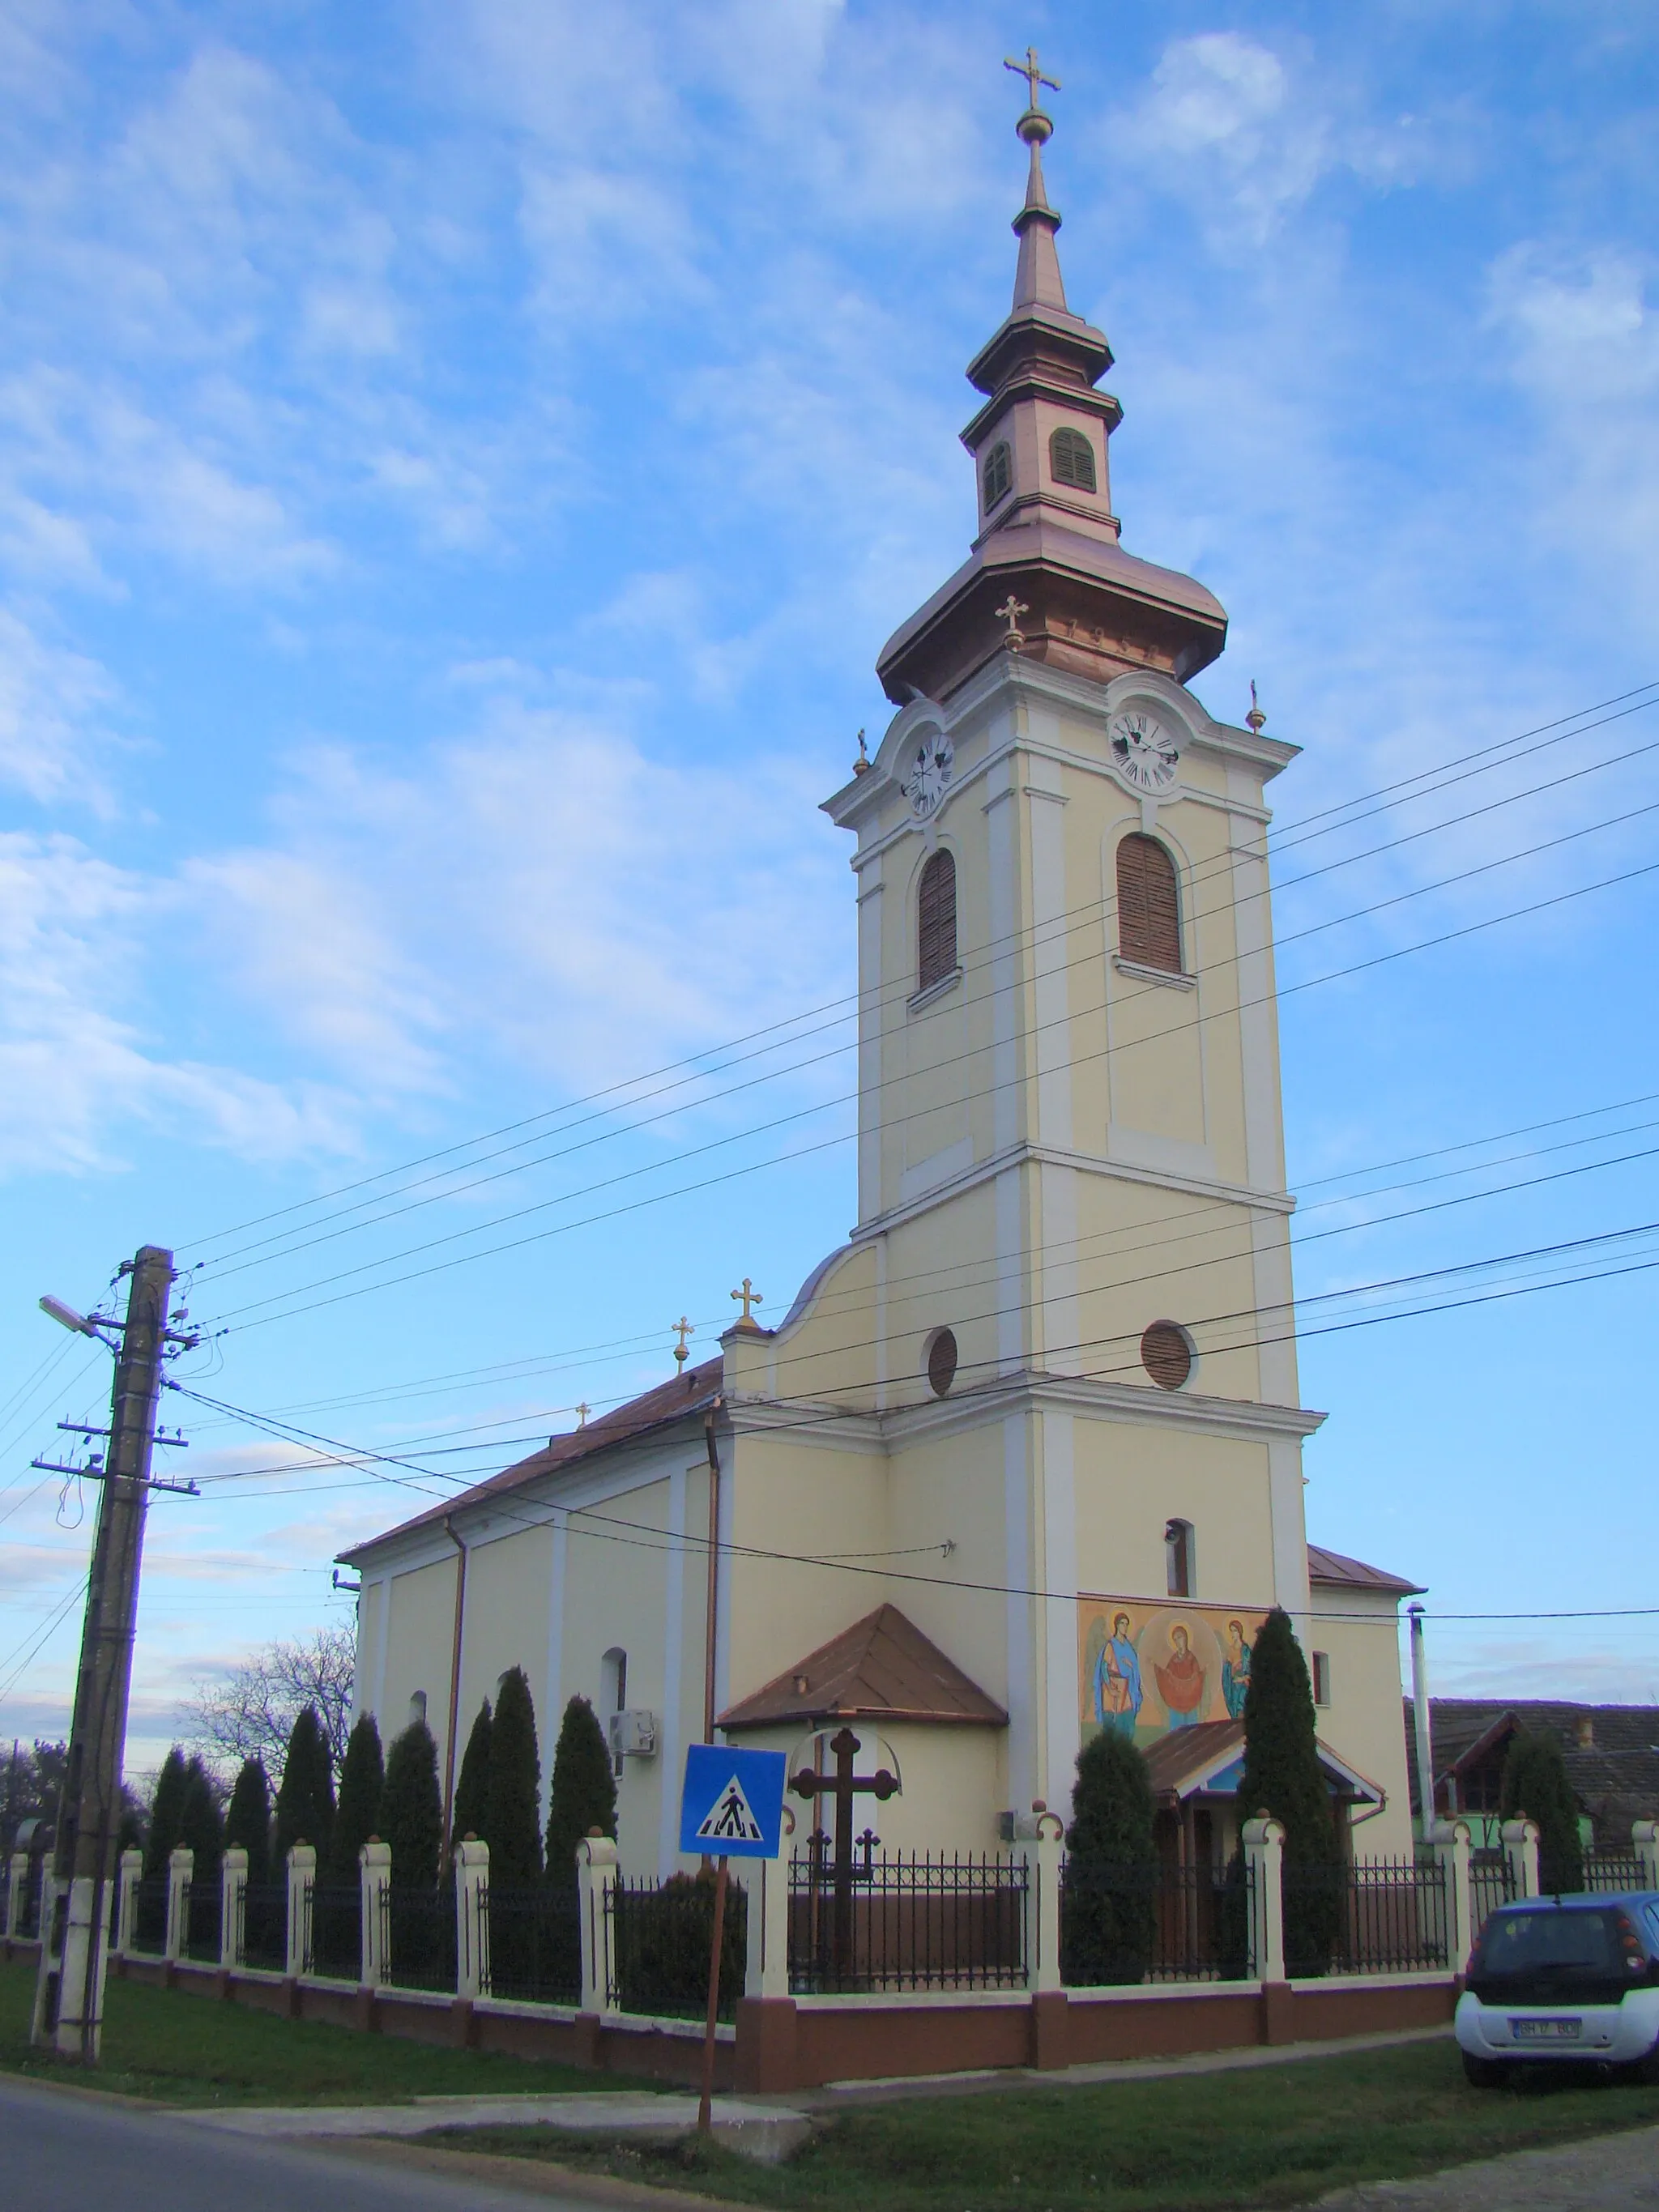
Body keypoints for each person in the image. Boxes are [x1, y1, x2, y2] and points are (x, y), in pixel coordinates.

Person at [1093, 1611, 1143, 1736]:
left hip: (1126, 1687)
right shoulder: (1111, 1645)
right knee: (1112, 1725)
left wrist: (1131, 1666)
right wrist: (1110, 1688)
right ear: (1116, 1625)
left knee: (1127, 1720)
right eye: (1122, 1624)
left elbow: (1135, 1667)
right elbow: (1104, 1668)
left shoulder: (1128, 1648)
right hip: (1113, 1687)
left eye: (1127, 1624)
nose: (1125, 1627)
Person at [1155, 1623, 1206, 1729]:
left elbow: (1196, 1679)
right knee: (1176, 1732)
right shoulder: (1173, 1660)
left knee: (1191, 1732)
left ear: (1185, 1638)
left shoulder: (1192, 1659)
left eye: (1180, 1637)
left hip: (1191, 1700)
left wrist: (1201, 1675)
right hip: (1176, 1701)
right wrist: (1158, 1670)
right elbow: (1167, 1678)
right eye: (1175, 1639)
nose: (1178, 1641)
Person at [1222, 1619, 1252, 1720]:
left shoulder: (1246, 1651)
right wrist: (1229, 1667)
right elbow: (1226, 1674)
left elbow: (1251, 1671)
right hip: (1233, 1688)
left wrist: (1243, 1679)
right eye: (1231, 1631)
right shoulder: (1230, 1650)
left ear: (1239, 1632)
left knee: (1242, 1711)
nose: (1233, 1634)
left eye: (1235, 1630)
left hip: (1243, 1689)